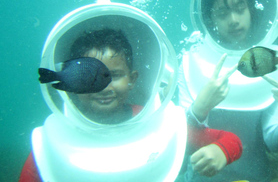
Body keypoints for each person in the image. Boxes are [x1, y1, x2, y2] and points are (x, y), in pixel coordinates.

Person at [19, 28, 242, 182]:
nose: (103, 87)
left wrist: (221, 151)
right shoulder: (56, 137)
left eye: (114, 75)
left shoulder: (154, 121)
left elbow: (231, 141)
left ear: (132, 80)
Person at [179, 0, 278, 182]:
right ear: (210, 18)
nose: (233, 20)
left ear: (251, 10)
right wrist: (199, 108)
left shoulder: (272, 58)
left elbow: (273, 143)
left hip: (255, 177)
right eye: (222, 13)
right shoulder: (192, 59)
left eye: (240, 9)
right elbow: (184, 140)